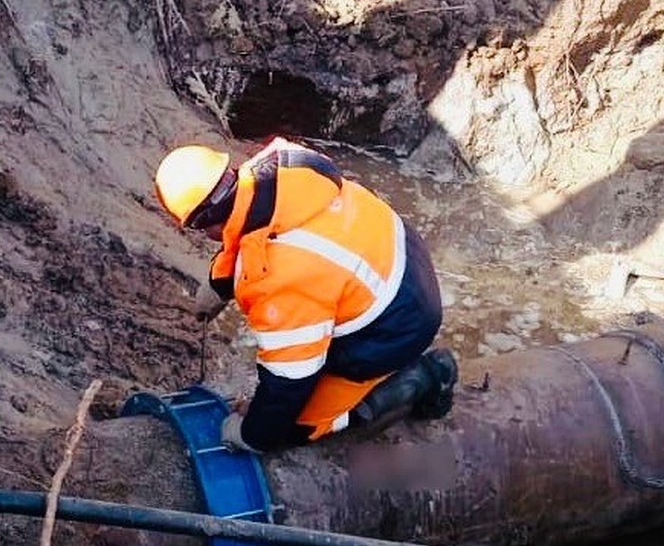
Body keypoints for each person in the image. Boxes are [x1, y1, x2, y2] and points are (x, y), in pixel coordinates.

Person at [153, 137, 457, 453]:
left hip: (400, 322)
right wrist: (219, 283)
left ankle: (422, 378)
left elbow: (289, 380)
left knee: (297, 426)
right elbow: (253, 223)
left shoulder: (279, 277)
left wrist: (253, 435)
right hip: (401, 256)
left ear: (202, 222)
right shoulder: (276, 164)